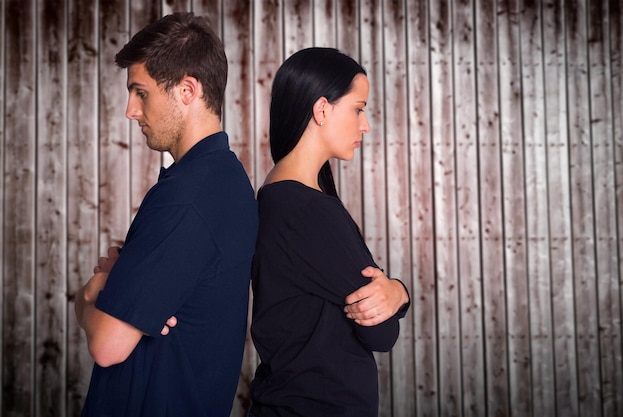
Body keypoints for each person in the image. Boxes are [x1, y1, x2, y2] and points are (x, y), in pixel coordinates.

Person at [74, 12, 258, 417]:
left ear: (187, 90)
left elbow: (106, 344)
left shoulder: (189, 197)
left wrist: (92, 294)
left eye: (140, 92)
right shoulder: (220, 180)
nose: (130, 111)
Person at [248, 47, 410, 417]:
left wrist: (397, 291)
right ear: (321, 110)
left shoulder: (278, 195)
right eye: (358, 108)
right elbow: (382, 334)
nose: (365, 124)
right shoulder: (306, 210)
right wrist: (399, 293)